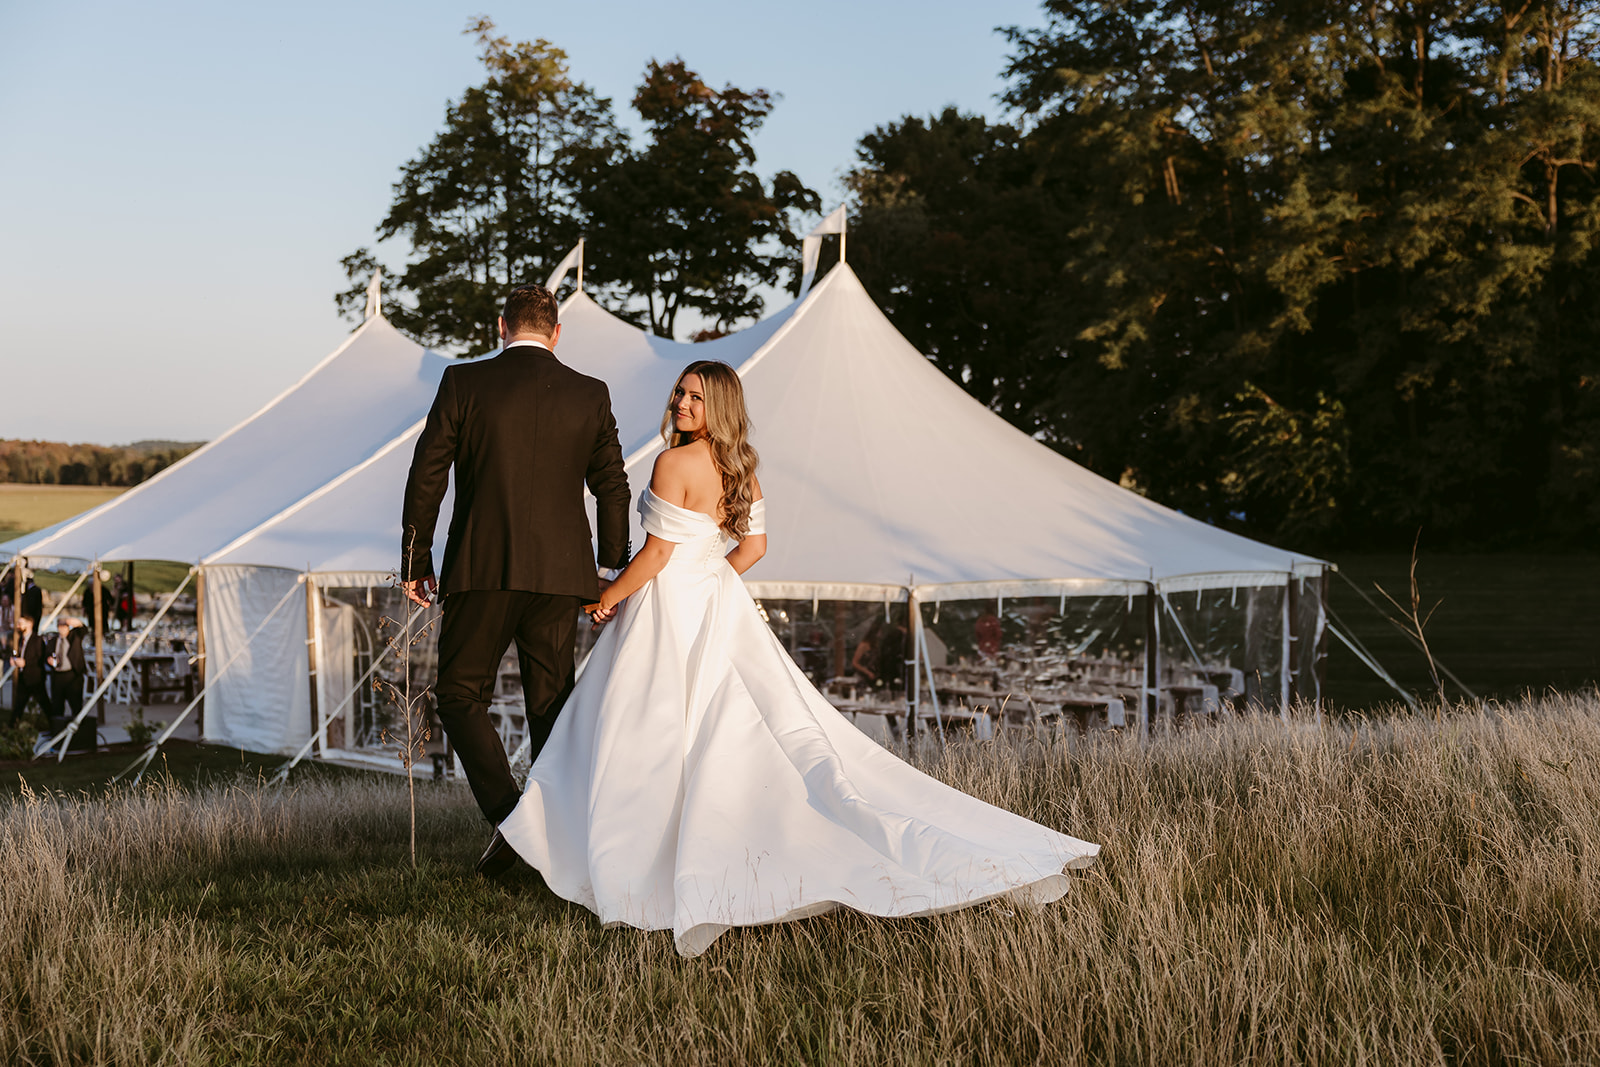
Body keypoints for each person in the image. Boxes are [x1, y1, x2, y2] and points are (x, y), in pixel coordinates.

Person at [498, 361, 1099, 957]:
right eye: (681, 393)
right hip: (712, 602)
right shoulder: (742, 466)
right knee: (709, 723)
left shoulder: (672, 463)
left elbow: (655, 556)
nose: (681, 404)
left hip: (665, 612)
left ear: (719, 409)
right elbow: (754, 548)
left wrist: (606, 598)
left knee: (646, 725)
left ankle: (626, 858)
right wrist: (710, 579)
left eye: (696, 399)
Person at [400, 282, 631, 877]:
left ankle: (514, 826)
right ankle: (546, 836)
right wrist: (610, 567)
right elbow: (612, 483)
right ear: (556, 334)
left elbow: (429, 472)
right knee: (550, 706)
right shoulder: (591, 393)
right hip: (562, 576)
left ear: (499, 329)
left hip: (482, 568)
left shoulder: (464, 383)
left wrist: (415, 558)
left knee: (457, 695)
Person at [9, 616, 51, 720]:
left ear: (29, 624)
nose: (18, 626)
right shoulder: (20, 640)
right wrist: (14, 659)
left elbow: (41, 658)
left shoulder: (37, 639)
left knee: (45, 705)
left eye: (21, 623)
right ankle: (12, 727)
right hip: (23, 678)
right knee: (19, 706)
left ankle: (55, 727)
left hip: (35, 679)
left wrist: (26, 663)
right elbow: (20, 654)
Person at [47, 617, 89, 720]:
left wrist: (78, 623)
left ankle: (78, 729)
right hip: (58, 676)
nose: (62, 629)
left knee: (75, 705)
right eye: (60, 626)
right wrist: (49, 660)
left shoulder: (74, 637)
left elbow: (84, 630)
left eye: (65, 626)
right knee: (57, 706)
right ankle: (57, 729)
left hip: (72, 675)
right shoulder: (53, 641)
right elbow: (47, 654)